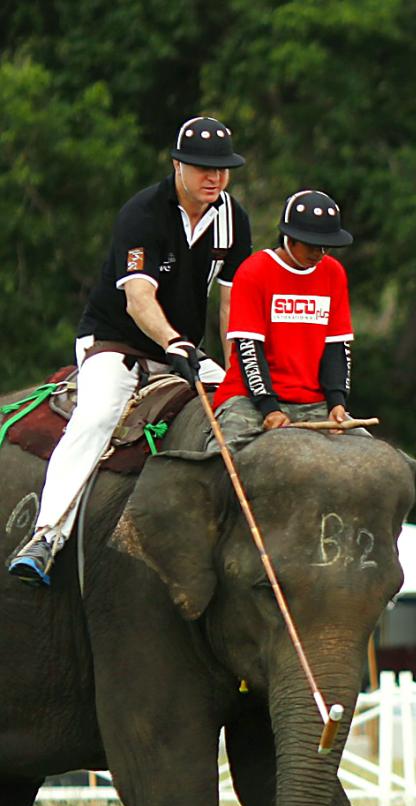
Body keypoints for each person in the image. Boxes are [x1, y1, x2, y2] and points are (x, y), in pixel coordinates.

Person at [9, 116, 251, 586]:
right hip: (114, 343)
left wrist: (237, 371)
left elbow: (231, 305)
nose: (215, 177)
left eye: (223, 168)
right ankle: (45, 536)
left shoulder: (232, 219)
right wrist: (172, 342)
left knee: (242, 409)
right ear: (177, 165)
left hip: (181, 349)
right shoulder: (143, 213)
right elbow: (139, 298)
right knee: (98, 416)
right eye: (203, 167)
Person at [212, 190, 355, 447]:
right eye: (312, 245)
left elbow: (337, 346)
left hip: (313, 401)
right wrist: (269, 407)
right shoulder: (254, 271)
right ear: (290, 237)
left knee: (369, 454)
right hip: (249, 399)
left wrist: (337, 402)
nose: (319, 253)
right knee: (224, 454)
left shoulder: (333, 273)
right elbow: (248, 348)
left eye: (326, 246)